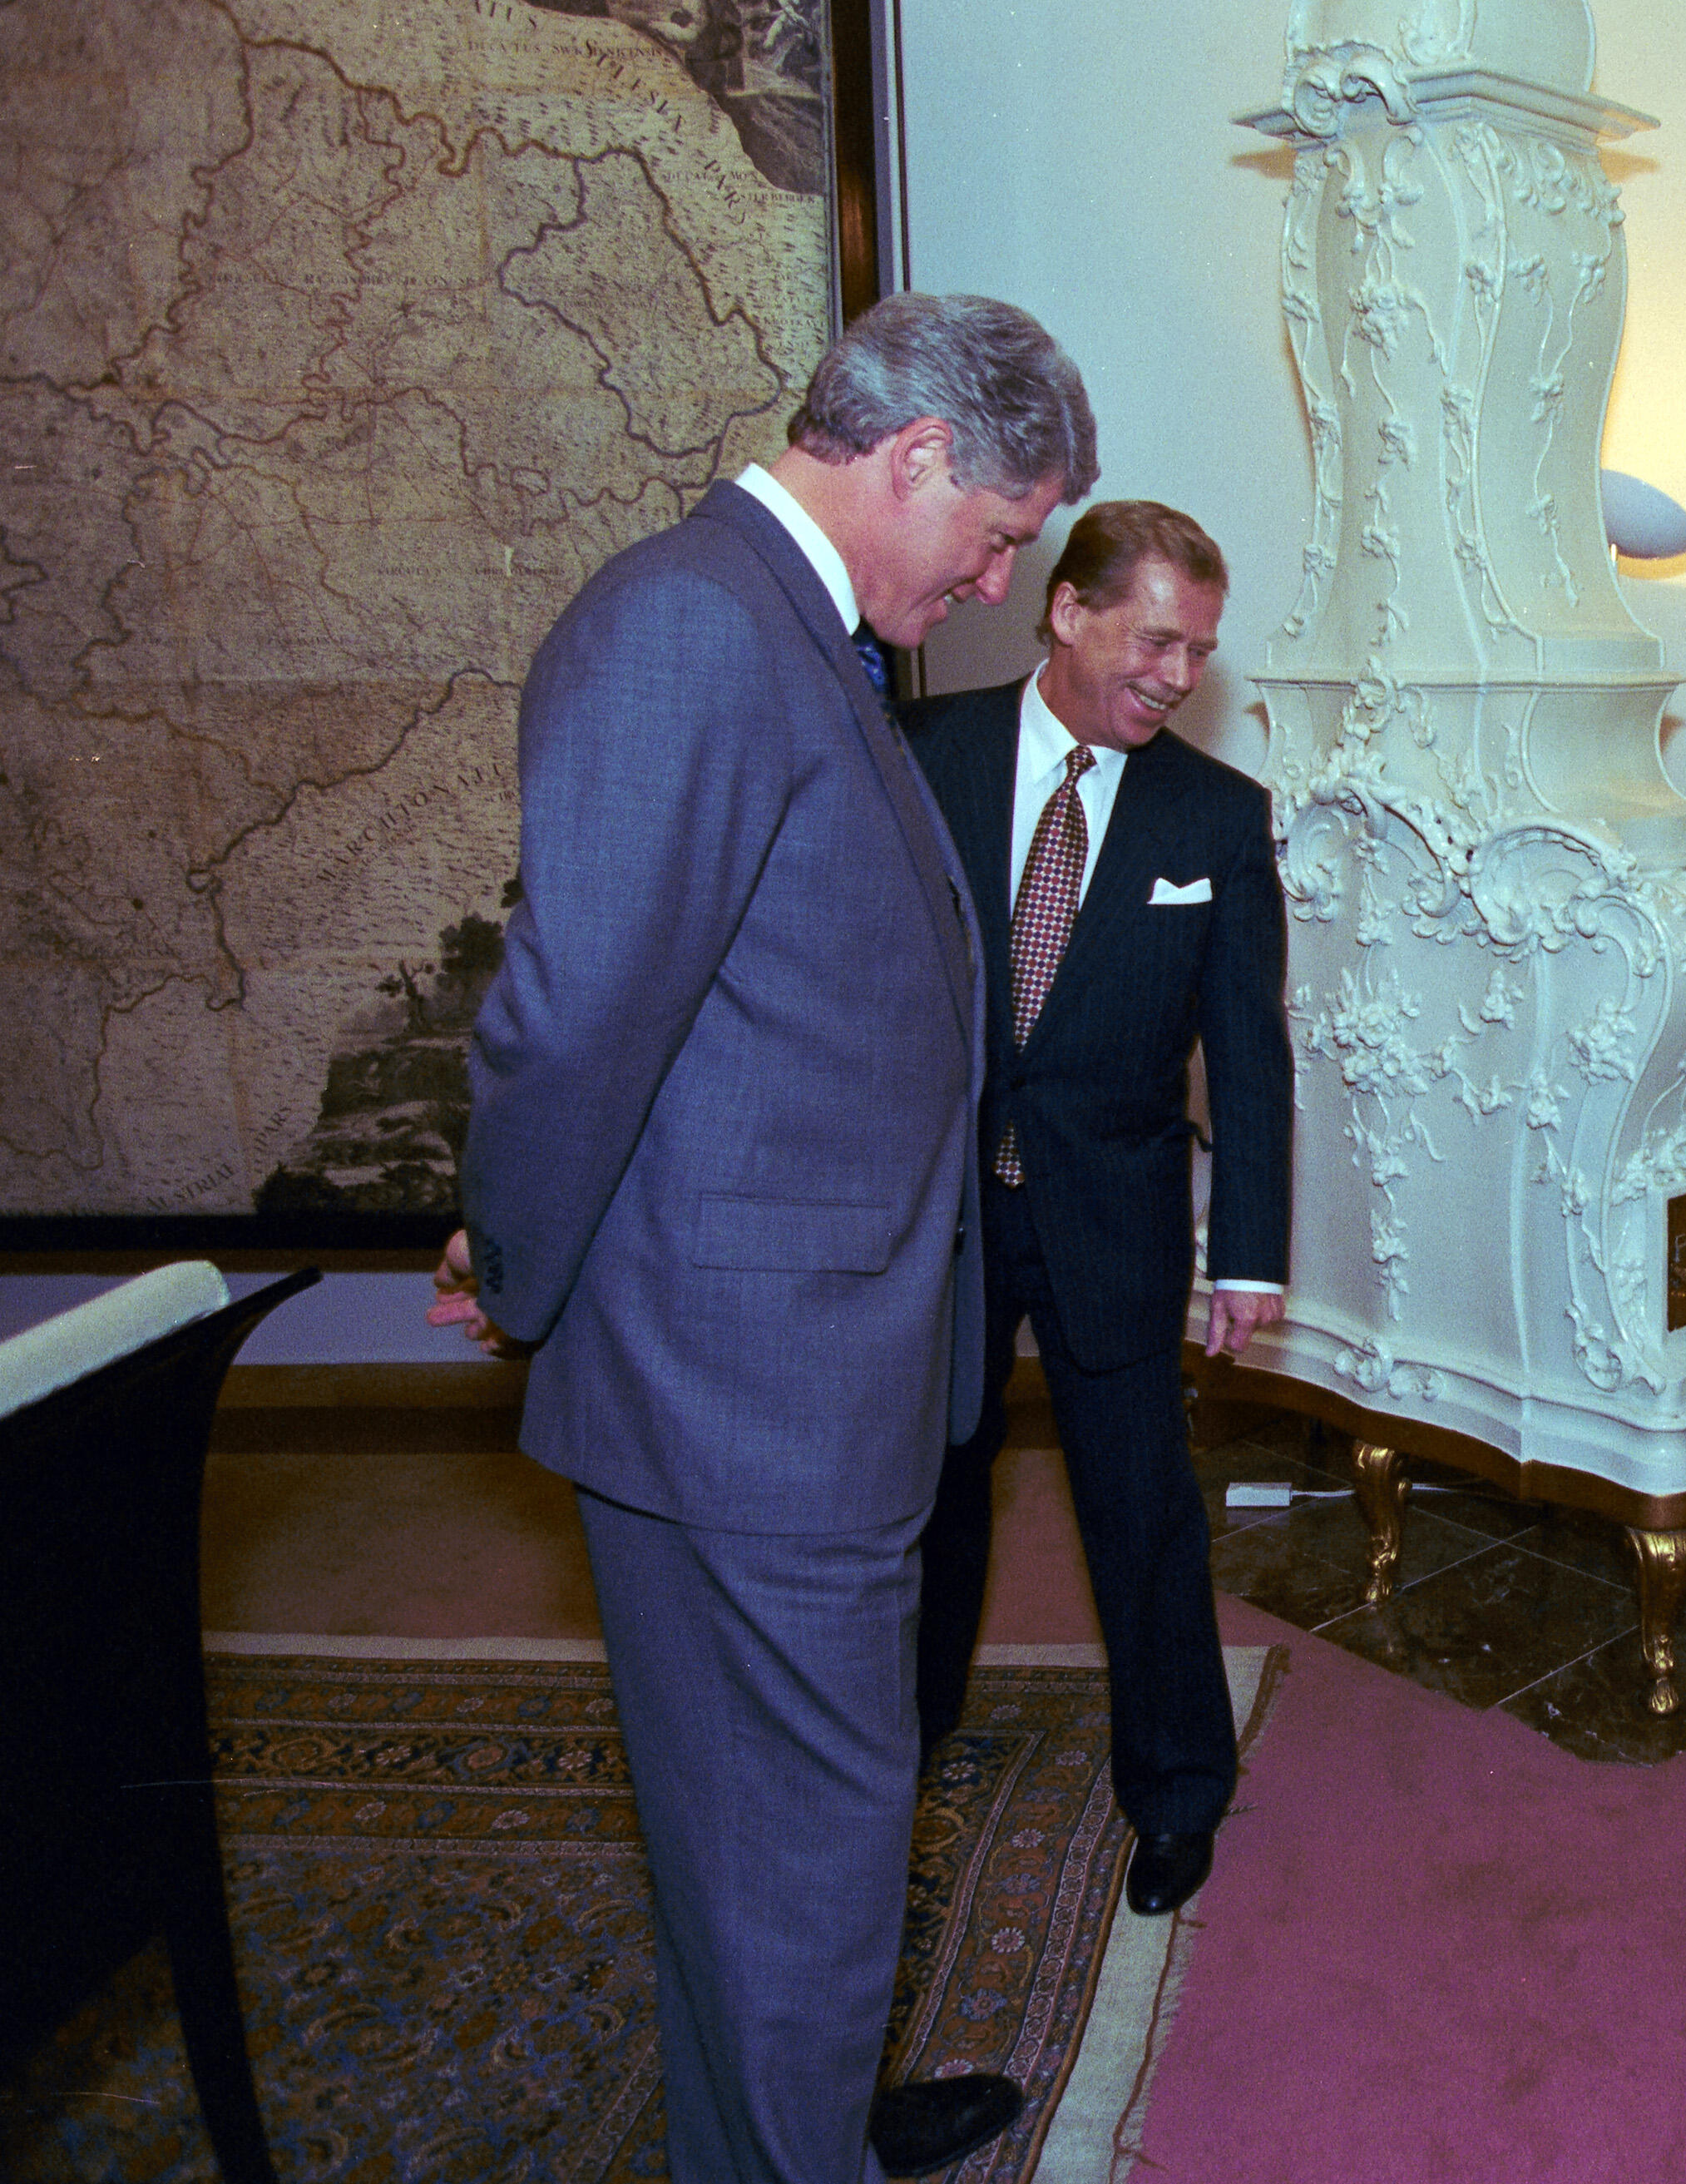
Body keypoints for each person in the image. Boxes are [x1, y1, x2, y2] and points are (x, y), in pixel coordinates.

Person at [431, 292, 1096, 2184]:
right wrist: (518, 1253)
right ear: (911, 457)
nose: (988, 582)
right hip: (746, 1402)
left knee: (770, 1874)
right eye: (990, 535)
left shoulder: (788, 637)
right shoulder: (688, 629)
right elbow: (575, 1021)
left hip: (800, 1385)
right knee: (791, 1882)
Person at [901, 500, 1291, 1923]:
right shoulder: (919, 760)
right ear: (1067, 612)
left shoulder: (1216, 818)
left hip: (1113, 1221)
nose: (1181, 675)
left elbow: (1250, 1054)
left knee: (1143, 1516)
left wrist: (1247, 1252)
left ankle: (1180, 1790)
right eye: (1159, 639)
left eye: (1198, 650)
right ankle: (898, 1753)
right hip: (933, 1218)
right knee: (927, 1501)